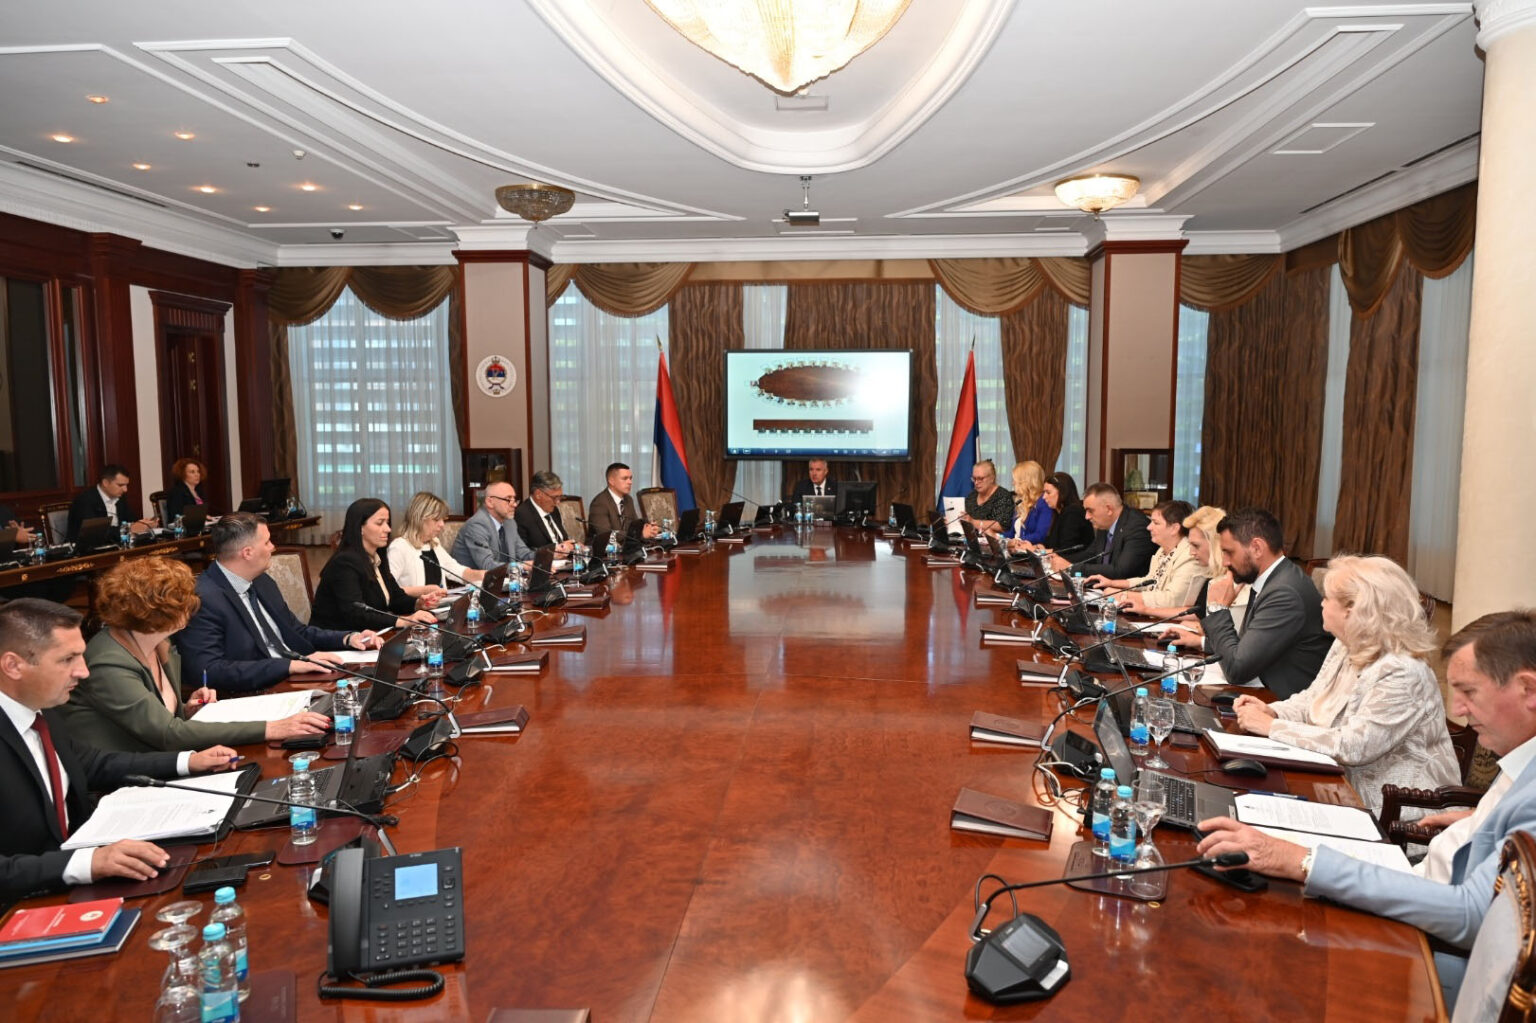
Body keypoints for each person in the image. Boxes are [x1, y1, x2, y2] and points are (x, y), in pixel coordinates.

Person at [1198, 610, 1536, 1012]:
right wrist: (1481, 817)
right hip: (1422, 887)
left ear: (1528, 690)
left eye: (1469, 692)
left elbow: (1469, 913)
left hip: (1444, 954)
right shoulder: (1522, 754)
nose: (1458, 710)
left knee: (1259, 960)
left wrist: (1303, 862)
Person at [0, 599, 238, 901]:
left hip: (74, 882)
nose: (83, 672)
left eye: (81, 656)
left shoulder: (41, 708)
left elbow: (92, 763)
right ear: (13, 666)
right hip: (21, 905)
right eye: (67, 659)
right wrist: (89, 862)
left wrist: (187, 762)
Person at [1231, 555, 1459, 813]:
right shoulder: (1345, 644)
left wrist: (1271, 727)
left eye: (1327, 598)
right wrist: (1273, 711)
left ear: (1353, 609)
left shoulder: (1403, 671)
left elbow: (1355, 746)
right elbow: (1312, 699)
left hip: (1399, 812)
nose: (1321, 603)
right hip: (1337, 786)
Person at [57, 559, 330, 751]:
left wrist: (187, 710)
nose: (194, 604)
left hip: (165, 756)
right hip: (129, 777)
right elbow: (167, 734)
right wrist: (272, 728)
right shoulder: (109, 662)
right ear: (157, 610)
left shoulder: (160, 644)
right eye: (184, 599)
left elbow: (161, 718)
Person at [178, 514, 381, 694]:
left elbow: (296, 631)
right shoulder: (202, 598)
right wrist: (288, 666)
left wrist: (348, 638)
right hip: (255, 691)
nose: (273, 547)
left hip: (296, 677)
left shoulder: (262, 581)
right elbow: (207, 670)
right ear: (247, 552)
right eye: (267, 542)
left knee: (368, 686)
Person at [1175, 507, 1332, 699]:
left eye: (1229, 552)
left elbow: (1236, 670)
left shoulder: (1284, 593)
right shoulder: (1273, 578)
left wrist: (1217, 609)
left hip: (1279, 700)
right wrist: (1203, 643)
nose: (1224, 562)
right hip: (1262, 691)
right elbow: (1250, 647)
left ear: (1257, 548)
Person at [310, 499, 442, 632]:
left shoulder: (376, 558)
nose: (388, 529)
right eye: (380, 523)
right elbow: (356, 614)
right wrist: (403, 621)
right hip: (337, 638)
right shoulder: (344, 563)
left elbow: (395, 598)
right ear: (360, 527)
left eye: (387, 523)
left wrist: (418, 603)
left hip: (368, 634)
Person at [1118, 504, 1227, 619]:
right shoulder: (1213, 575)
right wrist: (1144, 609)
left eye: (1196, 545)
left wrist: (1130, 599)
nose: (1191, 552)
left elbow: (1176, 602)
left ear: (1215, 544)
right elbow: (1199, 613)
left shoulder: (1228, 578)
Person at [1089, 500, 1202, 610]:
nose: (1149, 527)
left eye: (1156, 523)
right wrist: (1112, 583)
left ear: (1174, 528)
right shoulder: (1162, 550)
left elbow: (1171, 600)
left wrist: (1124, 595)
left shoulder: (1190, 556)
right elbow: (1150, 581)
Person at [1052, 482, 1154, 581]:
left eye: (1090, 511)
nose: (1086, 517)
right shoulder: (1105, 524)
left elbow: (1120, 571)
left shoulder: (1137, 526)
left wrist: (1072, 568)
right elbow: (1090, 555)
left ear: (1109, 509)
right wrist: (1059, 559)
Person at [389, 491, 488, 592]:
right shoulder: (399, 547)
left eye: (443, 520)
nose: (442, 525)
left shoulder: (434, 543)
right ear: (419, 519)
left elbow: (454, 569)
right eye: (436, 520)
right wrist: (423, 591)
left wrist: (482, 575)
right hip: (414, 603)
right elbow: (388, 589)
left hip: (440, 601)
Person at [451, 481, 538, 571]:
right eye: (508, 499)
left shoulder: (510, 523)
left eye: (514, 499)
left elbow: (524, 554)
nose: (514, 505)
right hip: (474, 579)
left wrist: (546, 555)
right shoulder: (476, 525)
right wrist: (521, 566)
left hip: (506, 577)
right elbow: (487, 565)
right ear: (490, 502)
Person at [65, 463, 156, 542]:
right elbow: (94, 532)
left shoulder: (120, 498)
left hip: (115, 545)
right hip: (87, 551)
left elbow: (131, 520)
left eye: (126, 485)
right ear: (105, 483)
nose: (125, 489)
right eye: (120, 485)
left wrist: (144, 524)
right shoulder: (84, 500)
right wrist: (128, 529)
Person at [1014, 472, 1093, 555]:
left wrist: (1035, 550)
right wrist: (1038, 546)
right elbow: (1052, 543)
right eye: (1044, 492)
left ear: (1062, 493)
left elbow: (1066, 550)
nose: (1044, 497)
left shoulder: (1073, 513)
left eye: (1048, 492)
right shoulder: (1058, 512)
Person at [587, 463, 661, 541]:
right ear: (611, 481)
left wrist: (649, 529)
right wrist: (640, 534)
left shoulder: (628, 499)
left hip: (626, 545)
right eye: (625, 478)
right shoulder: (599, 503)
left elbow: (634, 526)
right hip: (604, 547)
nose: (630, 482)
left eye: (630, 478)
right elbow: (607, 535)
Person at [514, 471, 579, 553]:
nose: (558, 502)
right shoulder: (522, 515)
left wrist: (574, 545)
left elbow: (563, 540)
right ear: (538, 494)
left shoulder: (554, 510)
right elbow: (523, 552)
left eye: (560, 497)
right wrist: (555, 549)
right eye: (554, 497)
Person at [1001, 461, 1052, 544]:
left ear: (1026, 482)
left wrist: (1018, 541)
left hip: (1029, 550)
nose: (1013, 483)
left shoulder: (1043, 502)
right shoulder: (1020, 501)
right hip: (1015, 549)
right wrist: (998, 538)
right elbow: (1010, 533)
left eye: (1015, 480)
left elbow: (1040, 535)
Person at [957, 460, 1013, 534]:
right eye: (974, 479)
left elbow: (1002, 526)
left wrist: (973, 522)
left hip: (994, 540)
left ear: (992, 478)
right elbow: (966, 518)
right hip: (971, 538)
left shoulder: (1003, 496)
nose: (976, 482)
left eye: (980, 478)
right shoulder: (972, 495)